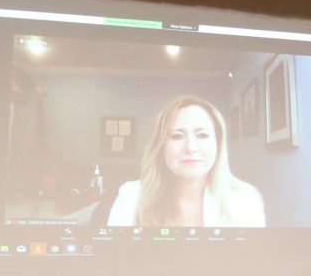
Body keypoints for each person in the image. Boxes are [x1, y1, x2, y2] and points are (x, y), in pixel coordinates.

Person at [106, 95, 265, 227]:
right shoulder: (130, 197)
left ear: (218, 144)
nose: (191, 147)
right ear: (161, 147)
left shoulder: (246, 200)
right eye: (177, 136)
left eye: (202, 135)